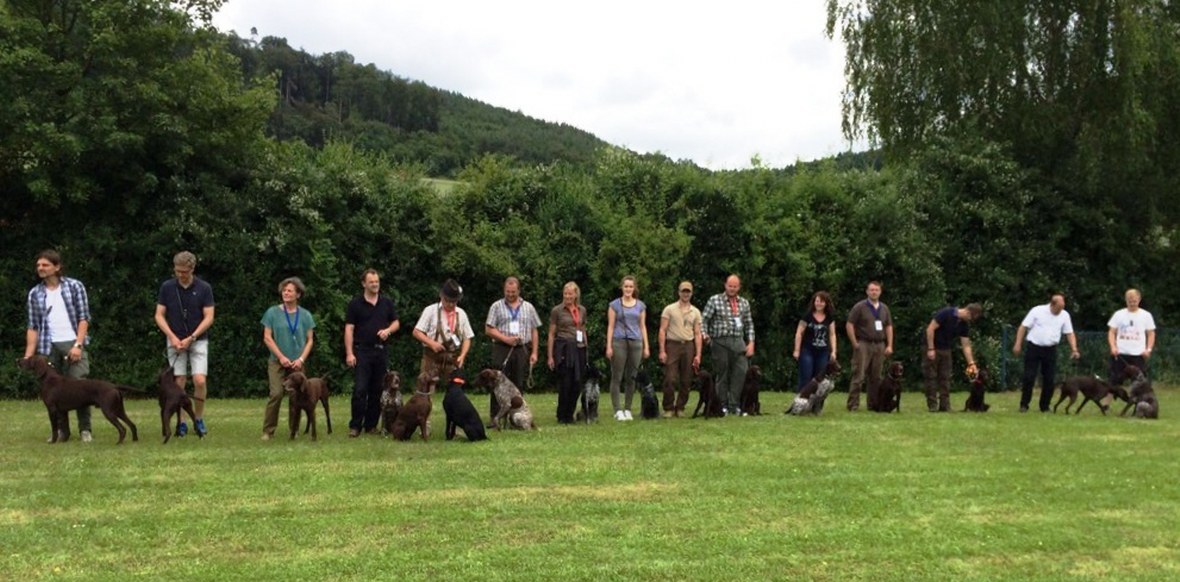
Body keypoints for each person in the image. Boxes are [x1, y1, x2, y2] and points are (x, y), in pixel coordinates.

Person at [24, 250, 94, 442]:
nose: (40, 268)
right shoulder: (35, 293)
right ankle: (62, 432)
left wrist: (78, 345)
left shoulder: (74, 286)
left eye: (45, 265)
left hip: (72, 342)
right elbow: (33, 327)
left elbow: (83, 318)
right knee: (55, 393)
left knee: (80, 387)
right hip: (48, 348)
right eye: (38, 265)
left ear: (57, 267)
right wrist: (28, 356)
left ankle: (85, 429)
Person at [154, 251, 215, 436]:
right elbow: (159, 315)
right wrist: (172, 337)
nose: (180, 274)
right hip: (175, 340)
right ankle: (181, 422)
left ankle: (199, 418)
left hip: (197, 340)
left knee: (199, 379)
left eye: (184, 271)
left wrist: (192, 337)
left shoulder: (204, 288)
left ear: (192, 269)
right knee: (178, 381)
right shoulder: (167, 287)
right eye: (177, 271)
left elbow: (209, 317)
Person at [344, 269, 400, 437]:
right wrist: (349, 353)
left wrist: (388, 330)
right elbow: (349, 329)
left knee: (378, 390)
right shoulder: (355, 304)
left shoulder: (386, 303)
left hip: (381, 351)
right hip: (362, 351)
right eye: (371, 282)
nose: (375, 284)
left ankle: (371, 425)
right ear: (364, 284)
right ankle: (355, 426)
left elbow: (396, 322)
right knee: (360, 389)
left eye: (377, 282)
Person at [260, 277, 316, 440]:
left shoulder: (305, 315)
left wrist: (301, 360)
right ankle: (268, 430)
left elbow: (310, 340)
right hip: (277, 360)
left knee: (297, 397)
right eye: (284, 290)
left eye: (290, 290)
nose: (286, 293)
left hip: (297, 363)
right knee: (276, 393)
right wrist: (281, 357)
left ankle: (294, 430)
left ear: (298, 294)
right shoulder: (272, 312)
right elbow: (267, 337)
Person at [484, 276, 541, 423]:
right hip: (502, 347)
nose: (510, 294)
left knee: (518, 383)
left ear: (519, 290)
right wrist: (505, 339)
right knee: (497, 383)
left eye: (513, 292)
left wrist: (534, 352)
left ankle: (516, 417)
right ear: (504, 290)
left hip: (521, 348)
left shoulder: (528, 307)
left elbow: (534, 330)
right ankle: (495, 418)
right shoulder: (496, 306)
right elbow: (489, 329)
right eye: (508, 291)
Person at [1012, 292, 1079, 413]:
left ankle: (1045, 406)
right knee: (1029, 377)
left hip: (1050, 349)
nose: (1060, 311)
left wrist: (1074, 348)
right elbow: (1023, 327)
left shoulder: (1064, 315)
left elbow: (1069, 333)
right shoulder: (1037, 311)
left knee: (1049, 379)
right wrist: (1018, 343)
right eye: (1058, 308)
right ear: (1052, 305)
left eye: (1062, 308)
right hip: (1034, 347)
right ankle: (1024, 405)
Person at [701, 274, 755, 416]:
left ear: (739, 287)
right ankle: (722, 405)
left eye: (735, 286)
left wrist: (751, 343)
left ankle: (734, 404)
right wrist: (705, 335)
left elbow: (749, 324)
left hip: (738, 341)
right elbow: (704, 320)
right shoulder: (715, 300)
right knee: (722, 374)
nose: (732, 288)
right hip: (720, 341)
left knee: (741, 372)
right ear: (725, 285)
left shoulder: (744, 303)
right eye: (730, 286)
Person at [923, 303, 983, 412]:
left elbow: (966, 345)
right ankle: (932, 405)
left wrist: (971, 363)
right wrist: (931, 348)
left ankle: (945, 406)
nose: (970, 321)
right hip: (933, 348)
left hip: (946, 349)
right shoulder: (946, 313)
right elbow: (930, 329)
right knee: (931, 377)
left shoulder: (964, 325)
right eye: (971, 318)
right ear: (968, 312)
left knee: (945, 378)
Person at [605, 276, 650, 421]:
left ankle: (628, 408)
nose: (628, 289)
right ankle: (617, 409)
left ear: (634, 288)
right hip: (619, 342)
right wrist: (609, 346)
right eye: (626, 286)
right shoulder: (614, 305)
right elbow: (610, 326)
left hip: (636, 342)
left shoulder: (640, 306)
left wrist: (646, 346)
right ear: (622, 288)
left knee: (632, 377)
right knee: (617, 376)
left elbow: (642, 326)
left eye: (631, 287)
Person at [844, 281, 893, 411]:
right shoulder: (859, 307)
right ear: (867, 291)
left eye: (876, 290)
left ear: (880, 292)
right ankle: (853, 404)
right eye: (871, 290)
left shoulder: (884, 308)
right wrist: (854, 342)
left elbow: (888, 326)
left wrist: (889, 345)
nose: (874, 292)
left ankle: (873, 404)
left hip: (879, 344)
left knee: (876, 377)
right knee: (858, 375)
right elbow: (849, 324)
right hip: (864, 343)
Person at [413, 279, 474, 379]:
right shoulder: (430, 310)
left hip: (452, 358)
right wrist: (431, 343)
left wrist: (462, 355)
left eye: (453, 301)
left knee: (454, 392)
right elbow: (416, 332)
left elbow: (467, 337)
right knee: (425, 390)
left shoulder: (462, 314)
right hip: (431, 357)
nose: (450, 304)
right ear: (441, 296)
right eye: (448, 300)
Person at [658, 281, 702, 418]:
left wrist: (698, 354)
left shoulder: (695, 311)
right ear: (679, 292)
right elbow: (662, 330)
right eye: (683, 291)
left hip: (688, 345)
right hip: (673, 344)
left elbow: (697, 334)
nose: (685, 294)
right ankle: (668, 408)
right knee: (670, 378)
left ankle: (681, 407)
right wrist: (662, 350)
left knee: (686, 379)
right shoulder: (669, 309)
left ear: (691, 293)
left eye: (688, 291)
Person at [548, 281, 588, 424]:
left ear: (576, 294)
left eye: (570, 293)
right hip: (564, 347)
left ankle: (570, 414)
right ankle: (562, 415)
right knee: (565, 382)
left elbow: (583, 329)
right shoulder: (557, 311)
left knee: (577, 383)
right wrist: (550, 356)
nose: (567, 296)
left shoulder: (582, 310)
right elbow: (552, 334)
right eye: (565, 293)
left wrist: (585, 347)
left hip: (579, 348)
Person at [1107, 288, 1156, 383]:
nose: (1132, 303)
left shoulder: (1146, 315)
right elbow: (1111, 332)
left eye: (1134, 301)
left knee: (1140, 383)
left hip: (1138, 354)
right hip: (1120, 353)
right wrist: (1113, 347)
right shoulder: (1118, 314)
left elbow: (1151, 334)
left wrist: (1148, 349)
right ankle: (1109, 398)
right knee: (1113, 382)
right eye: (1130, 301)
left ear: (1139, 299)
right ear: (1126, 300)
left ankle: (1140, 398)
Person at [794, 291, 838, 391]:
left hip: (823, 352)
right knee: (806, 376)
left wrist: (833, 351)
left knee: (820, 378)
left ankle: (816, 404)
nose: (819, 304)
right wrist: (796, 350)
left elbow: (832, 334)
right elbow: (799, 333)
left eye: (821, 302)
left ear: (826, 303)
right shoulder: (807, 316)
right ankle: (801, 402)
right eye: (817, 301)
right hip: (807, 350)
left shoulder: (830, 317)